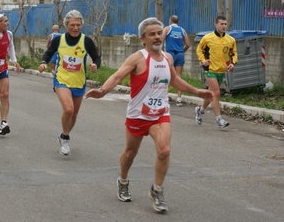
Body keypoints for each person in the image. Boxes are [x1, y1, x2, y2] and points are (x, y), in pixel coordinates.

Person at [85, 17, 213, 213]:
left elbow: (175, 81)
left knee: (164, 150)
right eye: (151, 34)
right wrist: (102, 91)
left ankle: (157, 190)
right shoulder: (137, 58)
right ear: (142, 38)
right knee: (130, 153)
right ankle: (123, 179)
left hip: (160, 113)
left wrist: (198, 92)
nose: (156, 37)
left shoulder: (168, 58)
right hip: (138, 114)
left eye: (159, 33)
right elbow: (118, 75)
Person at [38, 10, 101, 156]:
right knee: (68, 109)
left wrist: (95, 65)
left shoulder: (86, 41)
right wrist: (43, 63)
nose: (76, 28)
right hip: (62, 80)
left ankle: (62, 135)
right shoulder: (59, 40)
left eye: (78, 25)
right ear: (66, 25)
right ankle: (66, 138)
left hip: (79, 82)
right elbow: (48, 53)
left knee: (74, 114)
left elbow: (96, 57)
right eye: (72, 25)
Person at [195, 15, 238, 129]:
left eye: (225, 24)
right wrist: (203, 61)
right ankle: (219, 119)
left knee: (210, 94)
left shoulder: (230, 40)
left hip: (221, 70)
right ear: (216, 24)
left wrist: (233, 64)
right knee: (216, 93)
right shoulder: (207, 38)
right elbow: (199, 50)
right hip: (210, 69)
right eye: (221, 24)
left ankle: (200, 110)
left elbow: (233, 54)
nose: (224, 26)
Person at [162, 15, 190, 106]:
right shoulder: (183, 30)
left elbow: (161, 40)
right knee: (178, 76)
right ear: (178, 22)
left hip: (170, 54)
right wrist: (182, 51)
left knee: (166, 75)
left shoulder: (167, 28)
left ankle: (164, 97)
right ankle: (179, 99)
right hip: (180, 54)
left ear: (170, 21)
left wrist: (161, 52)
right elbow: (188, 44)